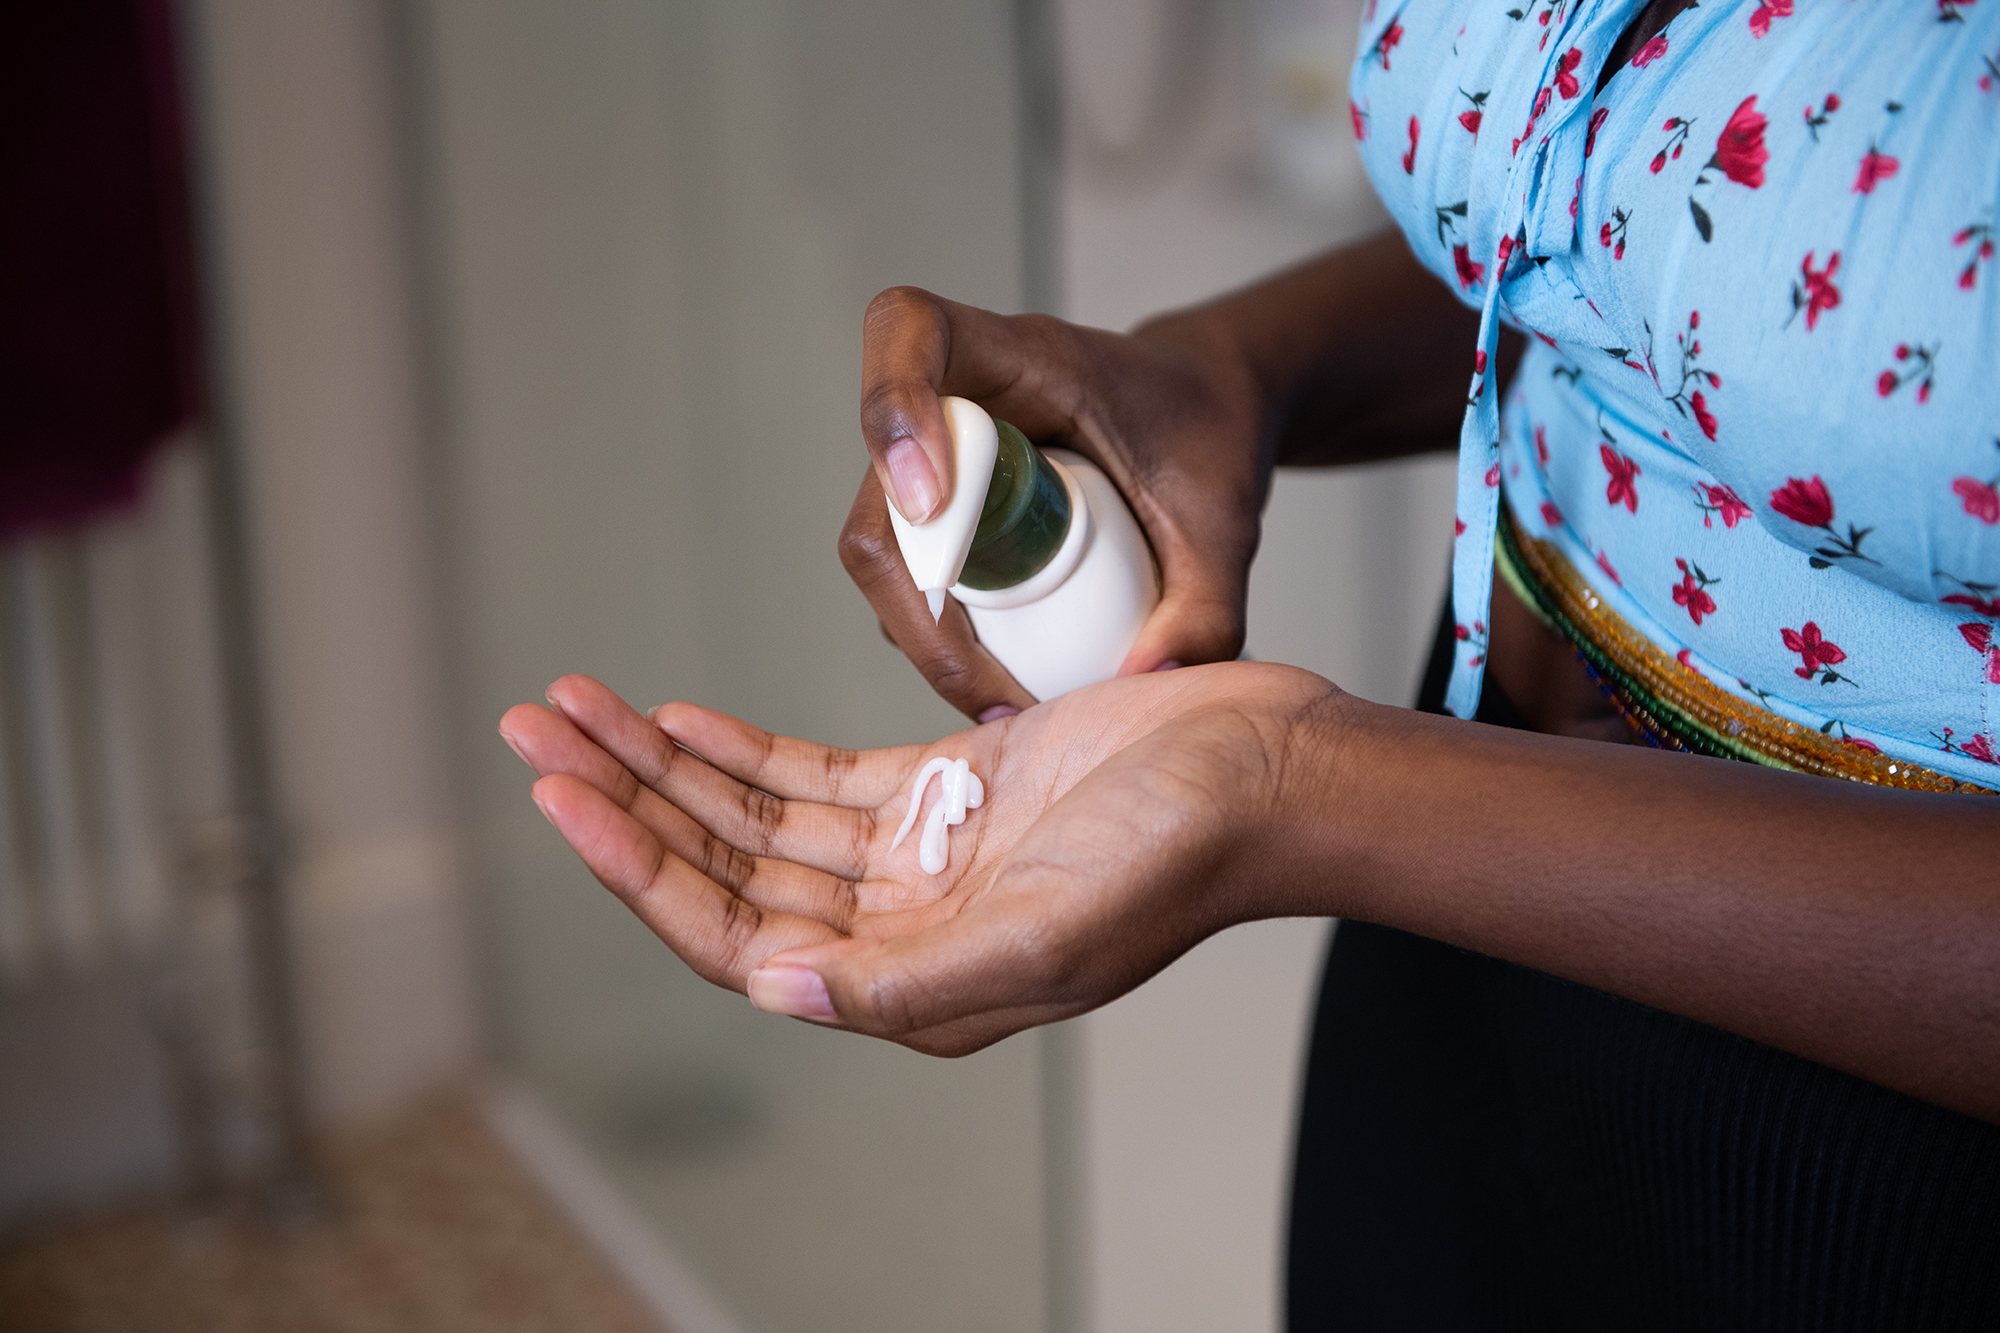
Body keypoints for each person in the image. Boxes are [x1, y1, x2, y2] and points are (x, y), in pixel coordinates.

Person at [499, 0, 2000, 1325]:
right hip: (1451, 942)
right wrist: (1234, 361)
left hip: (1894, 1150)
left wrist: (1300, 794)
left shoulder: (1321, 797)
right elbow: (1668, 234)